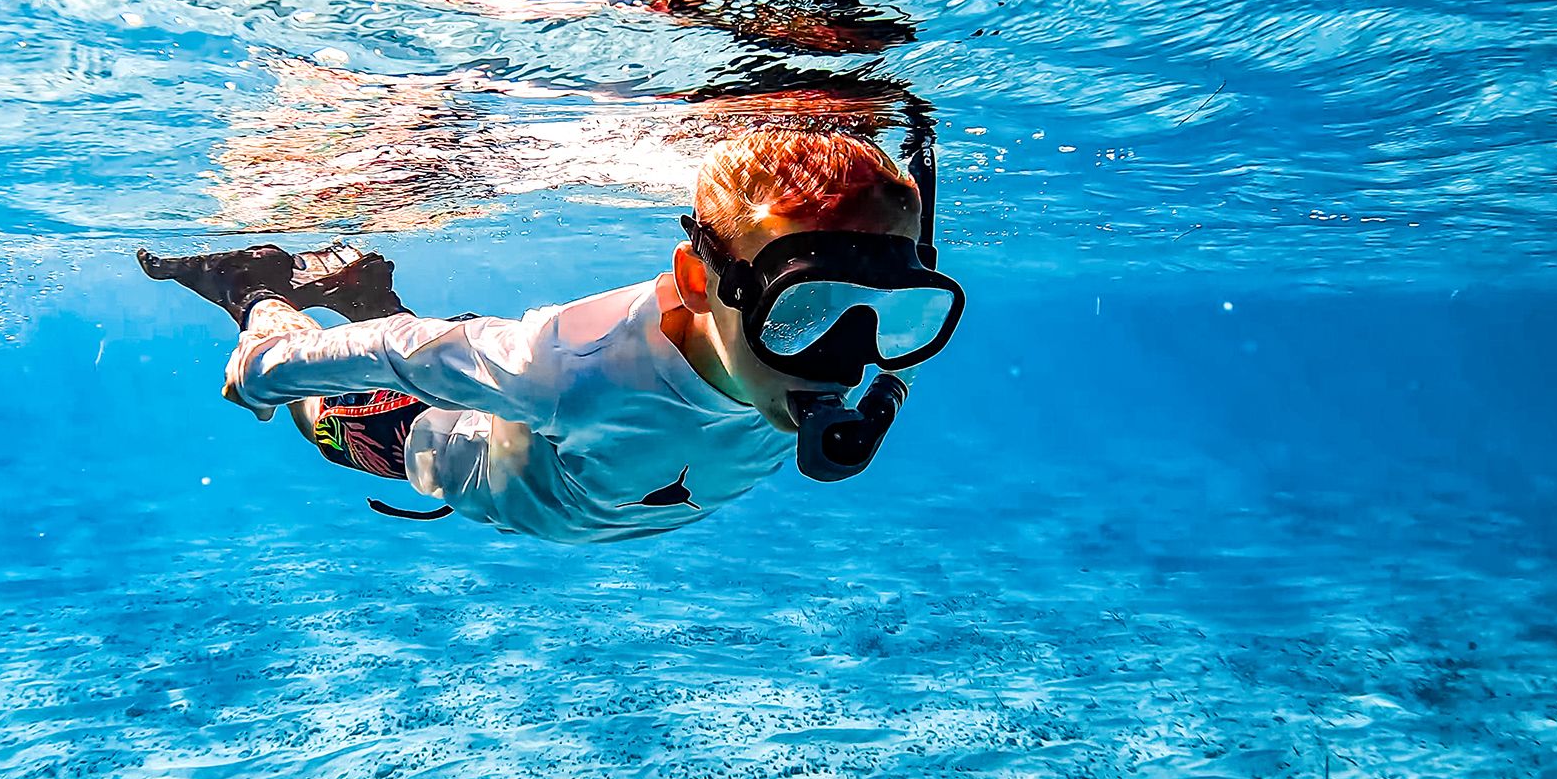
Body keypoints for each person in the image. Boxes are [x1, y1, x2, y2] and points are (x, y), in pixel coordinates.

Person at [139, 126, 964, 544]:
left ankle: (365, 289)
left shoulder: (829, 356)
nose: (853, 358)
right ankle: (251, 286)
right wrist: (265, 365)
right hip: (455, 444)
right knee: (322, 422)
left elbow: (890, 349)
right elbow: (397, 355)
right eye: (803, 308)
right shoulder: (573, 369)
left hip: (523, 417)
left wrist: (899, 366)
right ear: (695, 281)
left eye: (890, 310)